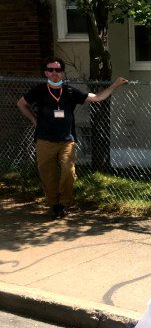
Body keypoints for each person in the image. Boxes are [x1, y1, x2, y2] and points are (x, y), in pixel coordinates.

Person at [16, 57, 128, 218]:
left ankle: (64, 201)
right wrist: (34, 121)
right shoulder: (39, 90)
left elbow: (96, 98)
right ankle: (54, 204)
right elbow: (21, 103)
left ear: (62, 72)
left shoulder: (70, 91)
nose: (54, 73)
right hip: (44, 139)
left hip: (66, 140)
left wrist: (114, 85)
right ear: (45, 72)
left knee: (68, 171)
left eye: (58, 70)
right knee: (48, 174)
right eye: (51, 70)